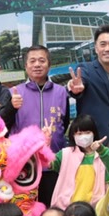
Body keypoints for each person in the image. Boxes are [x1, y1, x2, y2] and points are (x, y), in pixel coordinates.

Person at [16, 44, 73, 201]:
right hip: (25, 166)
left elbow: (64, 123)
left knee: (54, 209)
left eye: (42, 61)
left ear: (49, 64)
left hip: (54, 164)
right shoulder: (15, 93)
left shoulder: (61, 92)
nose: (37, 65)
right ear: (26, 66)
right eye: (32, 61)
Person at [67, 26, 109, 147]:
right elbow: (79, 84)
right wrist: (75, 88)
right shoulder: (86, 70)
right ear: (96, 48)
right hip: (91, 144)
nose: (107, 49)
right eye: (103, 44)